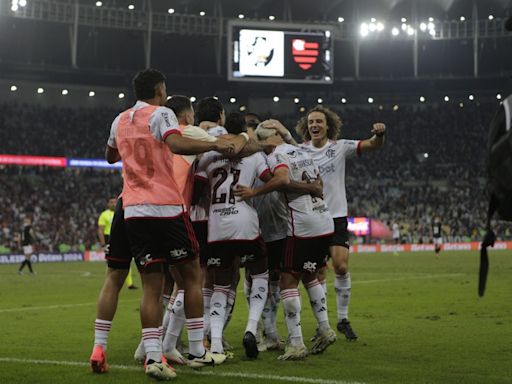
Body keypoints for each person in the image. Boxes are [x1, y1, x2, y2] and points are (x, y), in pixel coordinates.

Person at [93, 68, 241, 381]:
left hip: (133, 209)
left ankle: (148, 356)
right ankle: (199, 352)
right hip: (165, 207)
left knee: (151, 285)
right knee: (191, 275)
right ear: (160, 90)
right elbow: (175, 145)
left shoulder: (119, 120)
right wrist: (212, 146)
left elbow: (109, 155)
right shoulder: (163, 114)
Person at [235, 125, 337, 360]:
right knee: (310, 275)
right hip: (323, 220)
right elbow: (318, 183)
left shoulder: (276, 156)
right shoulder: (303, 152)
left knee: (287, 282)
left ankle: (296, 343)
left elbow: (281, 180)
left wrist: (253, 193)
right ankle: (325, 327)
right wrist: (312, 187)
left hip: (300, 226)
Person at [297, 105, 386, 341]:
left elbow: (372, 145)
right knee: (315, 273)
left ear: (328, 126)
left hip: (335, 216)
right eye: (311, 122)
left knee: (341, 266)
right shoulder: (299, 151)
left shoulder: (340, 147)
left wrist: (379, 134)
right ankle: (323, 325)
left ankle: (343, 319)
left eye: (319, 121)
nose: (314, 125)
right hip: (312, 217)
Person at [195, 112, 269, 359]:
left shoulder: (209, 156)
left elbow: (196, 188)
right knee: (260, 273)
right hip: (245, 223)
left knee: (220, 284)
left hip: (217, 228)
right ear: (246, 132)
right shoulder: (256, 154)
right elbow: (273, 180)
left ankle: (214, 343)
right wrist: (255, 191)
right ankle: (250, 328)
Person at [98, 197, 137, 289]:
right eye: (111, 202)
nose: (114, 204)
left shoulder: (122, 211)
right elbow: (101, 230)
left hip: (122, 236)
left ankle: (129, 284)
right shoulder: (104, 215)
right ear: (108, 204)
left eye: (115, 202)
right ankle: (111, 283)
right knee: (112, 264)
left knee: (126, 261)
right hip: (109, 238)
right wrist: (103, 244)